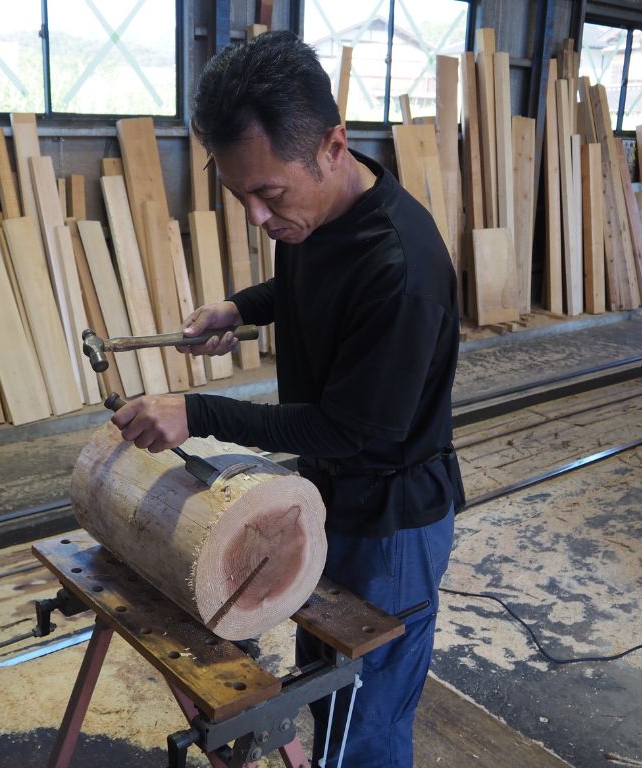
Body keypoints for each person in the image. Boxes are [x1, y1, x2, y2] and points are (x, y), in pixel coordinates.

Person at [109, 30, 465, 767]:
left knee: (361, 725)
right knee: (323, 682)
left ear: (332, 145)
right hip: (331, 493)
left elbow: (350, 428)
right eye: (240, 194)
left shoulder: (401, 269)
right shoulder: (314, 211)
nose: (258, 218)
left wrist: (195, 412)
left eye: (268, 194)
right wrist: (240, 308)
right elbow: (310, 283)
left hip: (390, 520)